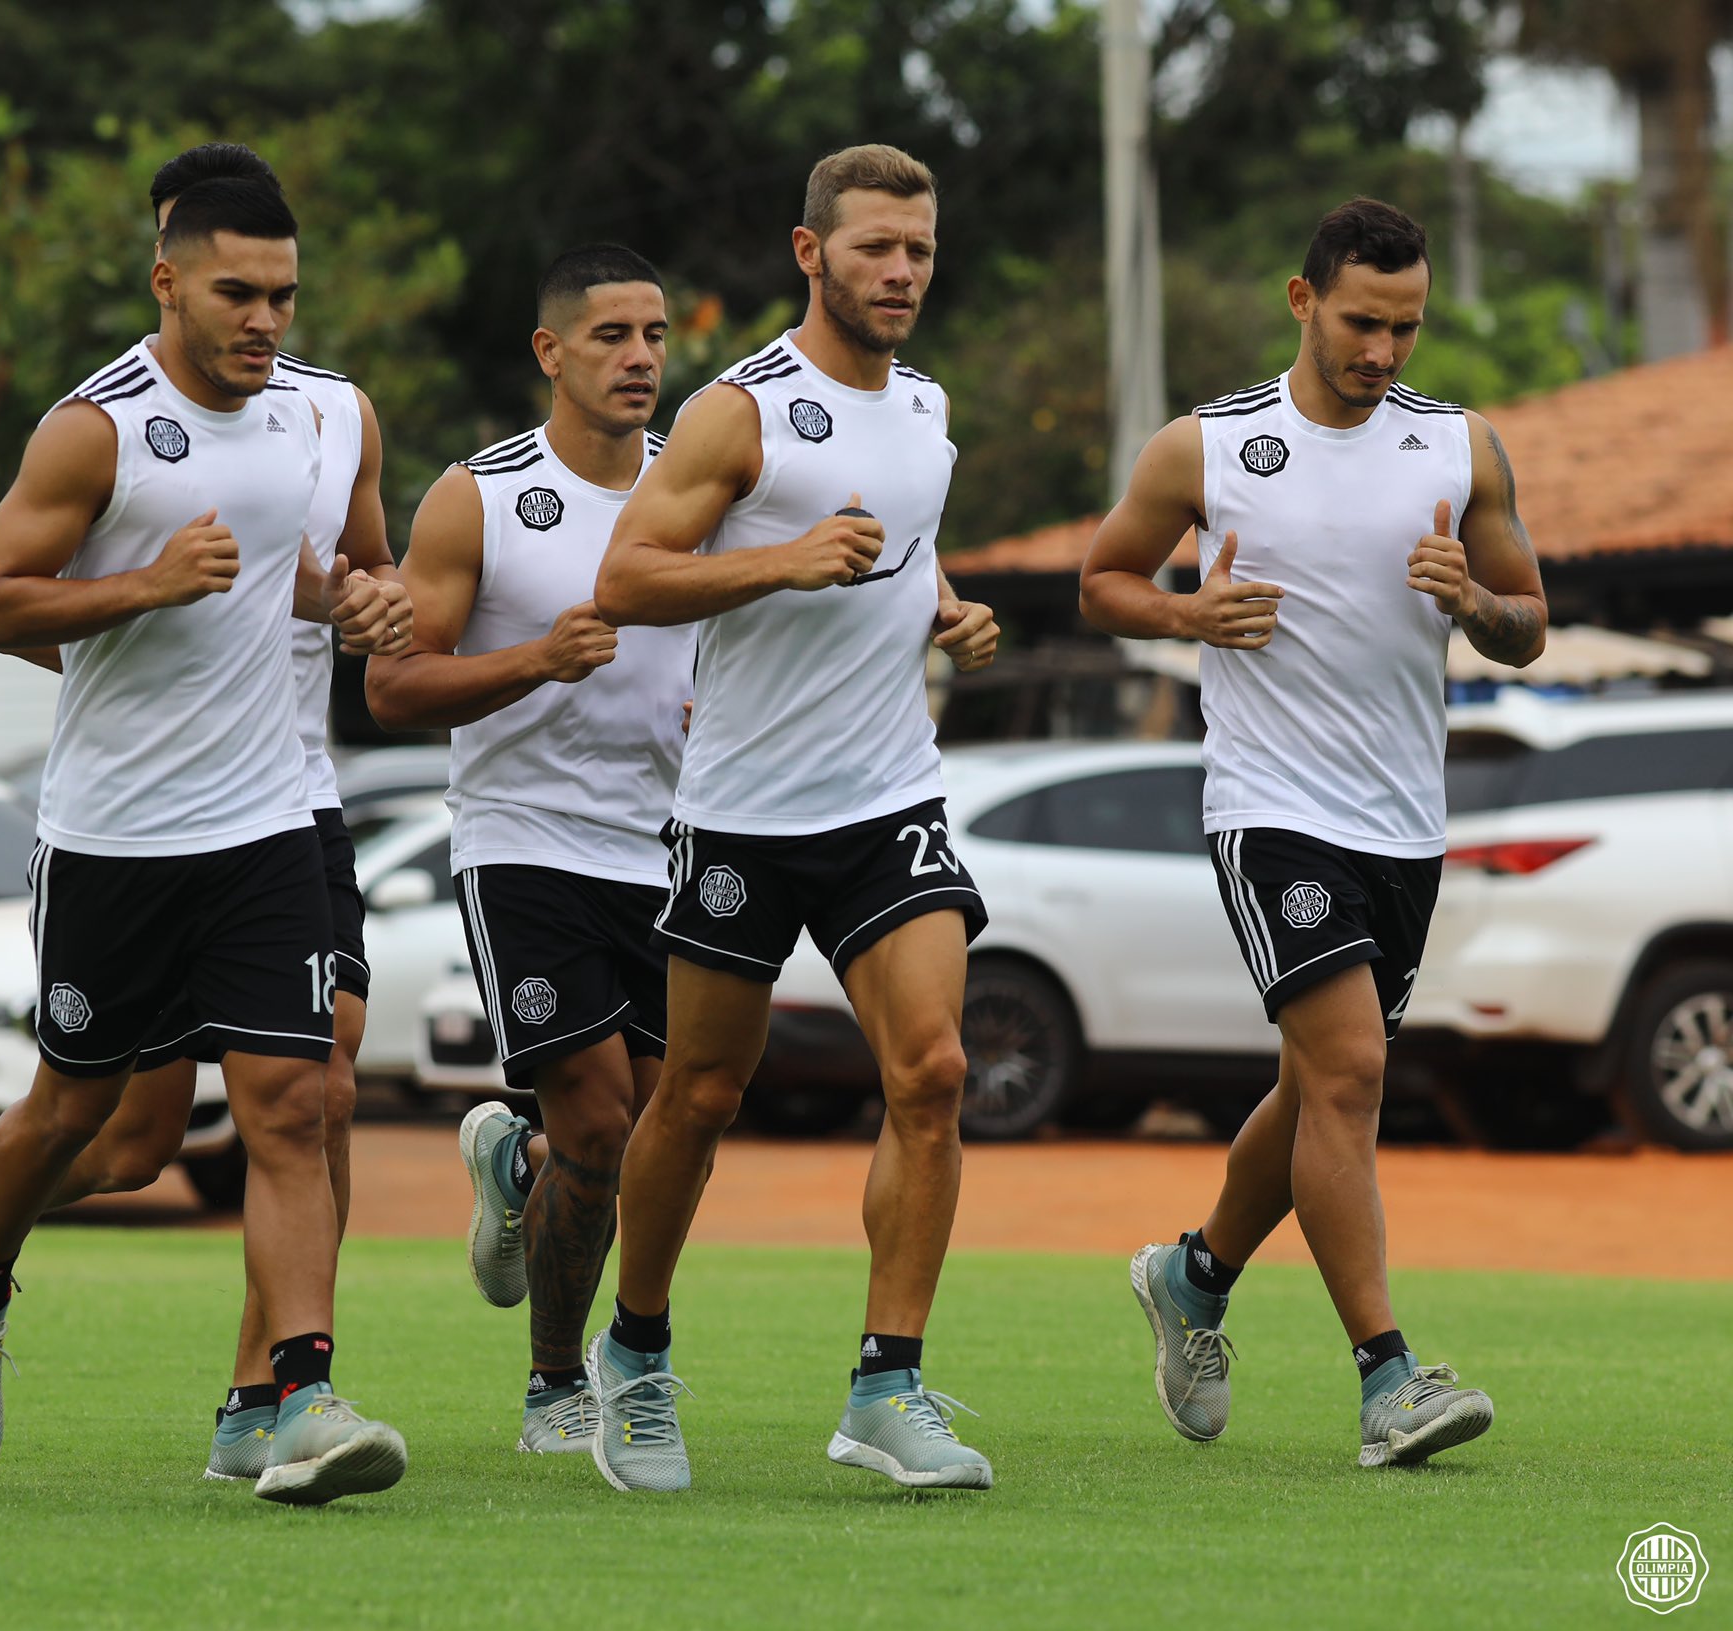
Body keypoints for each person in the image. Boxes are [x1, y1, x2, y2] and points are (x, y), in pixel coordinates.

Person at [0, 174, 406, 1507]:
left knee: (296, 1103)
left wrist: (357, 603)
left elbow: (292, 579)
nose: (265, 320)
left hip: (266, 824)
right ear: (167, 283)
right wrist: (146, 584)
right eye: (237, 294)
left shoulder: (309, 419)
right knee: (79, 1112)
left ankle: (297, 1396)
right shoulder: (98, 432)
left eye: (283, 295)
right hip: (112, 840)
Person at [1078, 197, 1546, 1468]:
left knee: (1312, 1092)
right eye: (1359, 322)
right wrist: (1186, 619)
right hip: (1268, 809)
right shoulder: (1207, 446)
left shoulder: (1459, 449)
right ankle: (1386, 1379)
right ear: (1301, 301)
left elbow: (1527, 622)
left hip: (1403, 823)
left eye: (1404, 327)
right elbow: (1101, 580)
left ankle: (1193, 1275)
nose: (1383, 351)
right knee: (1347, 1075)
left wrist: (1474, 603)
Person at [586, 145, 1000, 1494]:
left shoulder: (930, 409)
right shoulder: (736, 413)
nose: (900, 273)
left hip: (888, 794)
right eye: (876, 248)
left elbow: (902, 547)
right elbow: (626, 578)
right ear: (811, 253)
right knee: (700, 1093)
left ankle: (888, 1383)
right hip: (744, 814)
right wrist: (783, 559)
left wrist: (946, 608)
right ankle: (635, 1352)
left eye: (919, 251)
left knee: (932, 1070)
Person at [365, 243, 689, 1456]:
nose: (641, 358)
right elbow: (393, 685)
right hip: (526, 845)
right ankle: (558, 1383)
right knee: (605, 1130)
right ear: (551, 352)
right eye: (611, 336)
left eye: (654, 334)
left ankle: (519, 1163)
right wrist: (534, 661)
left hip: (669, 851)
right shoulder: (479, 495)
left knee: (658, 1142)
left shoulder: (693, 493)